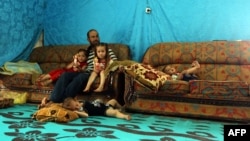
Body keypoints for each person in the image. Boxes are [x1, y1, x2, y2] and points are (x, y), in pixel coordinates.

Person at [47, 29, 117, 103]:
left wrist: (105, 69)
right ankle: (53, 100)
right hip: (83, 71)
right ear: (88, 39)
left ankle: (64, 101)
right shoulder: (87, 51)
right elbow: (82, 63)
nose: (96, 38)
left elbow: (114, 62)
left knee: (80, 77)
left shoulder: (105, 49)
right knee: (65, 75)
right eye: (93, 37)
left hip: (93, 73)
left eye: (97, 36)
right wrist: (76, 62)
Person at [62, 97, 131, 120]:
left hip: (105, 105)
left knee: (113, 101)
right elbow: (86, 115)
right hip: (104, 111)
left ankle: (122, 109)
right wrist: (77, 112)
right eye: (75, 108)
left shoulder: (81, 102)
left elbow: (93, 103)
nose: (78, 107)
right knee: (114, 113)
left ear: (76, 100)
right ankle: (124, 116)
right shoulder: (81, 110)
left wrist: (97, 101)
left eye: (77, 104)